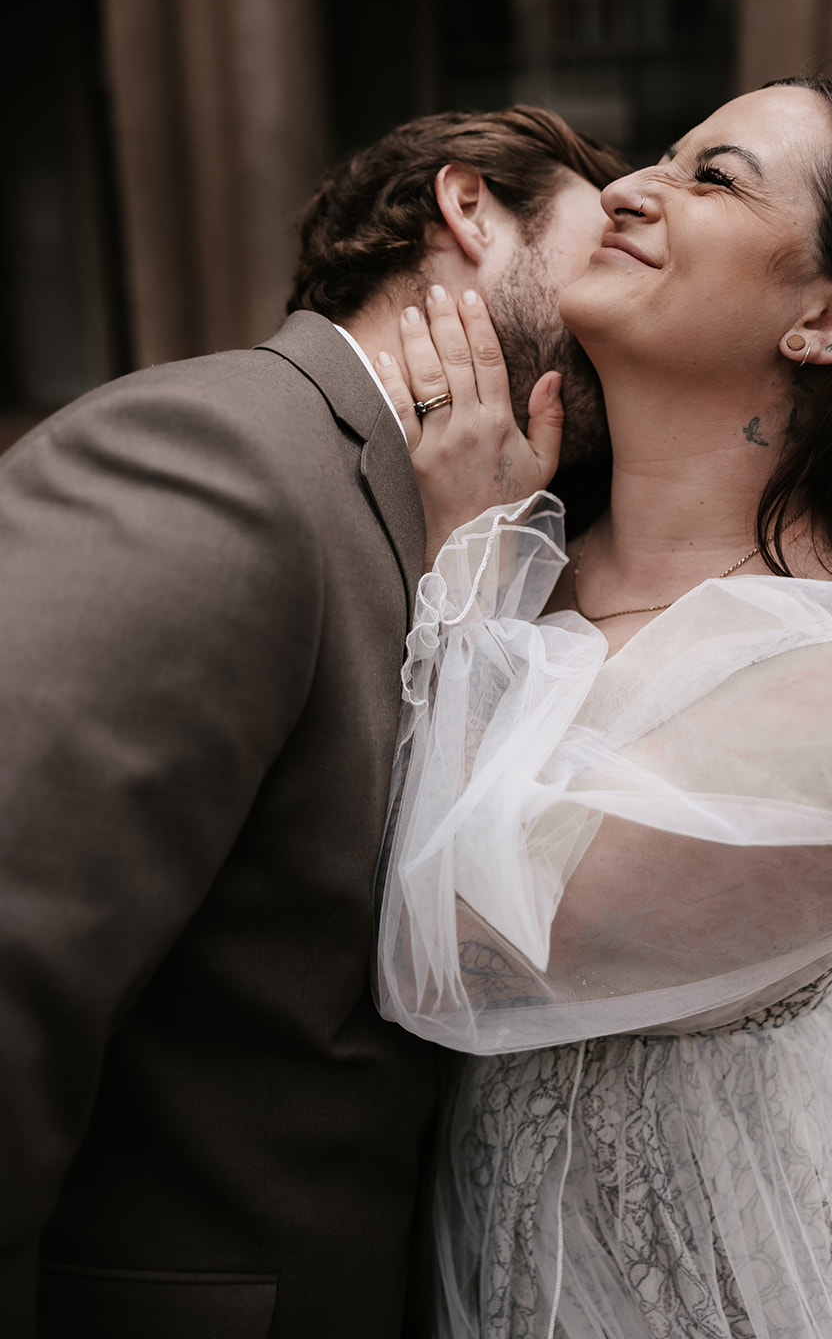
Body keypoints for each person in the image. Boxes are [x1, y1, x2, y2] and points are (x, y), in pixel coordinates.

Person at [376, 76, 832, 1337]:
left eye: (713, 176)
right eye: (665, 152)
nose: (627, 188)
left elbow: (470, 952)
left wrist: (470, 561)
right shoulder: (521, 541)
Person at [0, 105, 625, 1338]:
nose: (617, 307)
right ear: (467, 207)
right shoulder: (218, 455)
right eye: (600, 247)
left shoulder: (471, 526)